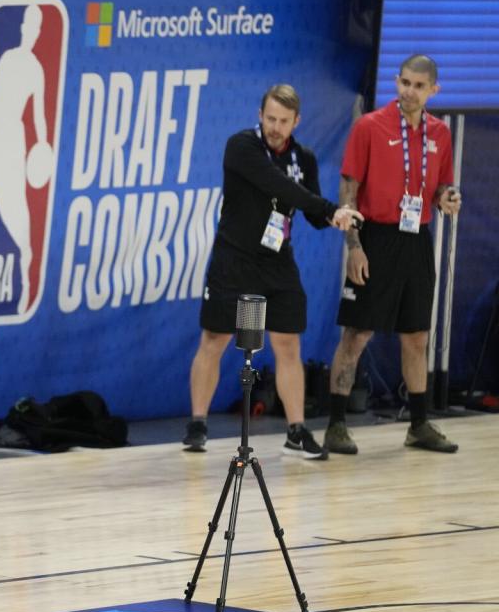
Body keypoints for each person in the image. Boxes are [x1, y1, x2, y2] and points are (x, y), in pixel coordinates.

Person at [183, 85, 361, 459]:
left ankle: (296, 432)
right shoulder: (242, 147)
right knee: (215, 339)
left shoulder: (305, 158)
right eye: (270, 119)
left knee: (287, 343)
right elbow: (278, 186)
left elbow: (310, 214)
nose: (275, 127)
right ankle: (197, 424)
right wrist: (330, 208)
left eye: (283, 121)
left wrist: (337, 216)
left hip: (277, 261)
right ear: (260, 114)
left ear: (297, 121)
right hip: (234, 261)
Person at [324, 55, 461, 455]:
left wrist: (447, 197)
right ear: (396, 81)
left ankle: (418, 424)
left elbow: (440, 188)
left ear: (433, 90)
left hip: (416, 238)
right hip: (375, 237)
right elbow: (348, 191)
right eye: (404, 82)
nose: (409, 91)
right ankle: (335, 424)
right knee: (357, 333)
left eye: (418, 86)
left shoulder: (440, 134)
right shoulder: (369, 126)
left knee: (417, 335)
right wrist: (354, 247)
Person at [0, 4, 50, 313]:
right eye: (28, 26)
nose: (30, 32)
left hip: (14, 143)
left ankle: (24, 280)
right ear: (23, 28)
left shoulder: (36, 69)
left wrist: (43, 148)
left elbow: (39, 119)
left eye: (36, 28)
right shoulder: (9, 59)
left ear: (37, 33)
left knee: (18, 216)